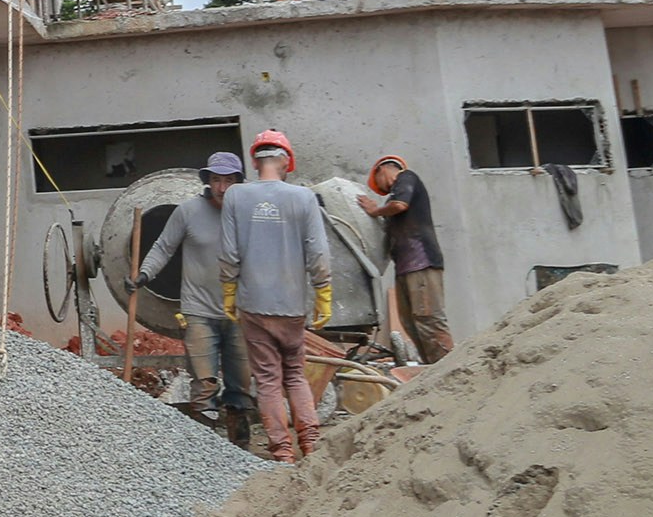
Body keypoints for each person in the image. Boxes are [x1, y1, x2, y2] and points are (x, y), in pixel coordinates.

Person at [220, 129, 333, 461]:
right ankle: (310, 443)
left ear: (255, 162)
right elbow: (319, 253)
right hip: (291, 304)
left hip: (253, 304)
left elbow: (228, 253)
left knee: (268, 379)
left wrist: (229, 290)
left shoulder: (236, 197)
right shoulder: (303, 198)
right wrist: (323, 292)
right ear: (286, 162)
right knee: (295, 373)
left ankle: (282, 452)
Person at [136, 150, 255, 444]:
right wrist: (144, 274)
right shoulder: (188, 211)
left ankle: (241, 449)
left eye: (229, 180)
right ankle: (205, 450)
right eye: (216, 180)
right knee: (203, 383)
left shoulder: (248, 215)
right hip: (198, 311)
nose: (222, 187)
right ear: (207, 181)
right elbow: (164, 247)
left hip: (241, 312)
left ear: (239, 182)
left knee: (240, 386)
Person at [359, 154, 454, 362]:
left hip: (422, 263)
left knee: (428, 317)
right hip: (406, 267)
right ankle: (432, 367)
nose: (385, 193)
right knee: (410, 321)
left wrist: (376, 210)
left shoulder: (406, 177)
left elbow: (400, 205)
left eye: (382, 188)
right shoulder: (393, 198)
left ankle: (448, 367)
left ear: (382, 170)